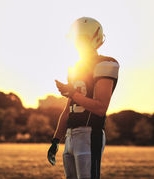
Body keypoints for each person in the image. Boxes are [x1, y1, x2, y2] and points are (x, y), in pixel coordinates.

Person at [47, 17, 119, 179]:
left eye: (82, 39)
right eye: (76, 40)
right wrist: (55, 139)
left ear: (96, 38)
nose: (78, 44)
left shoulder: (106, 64)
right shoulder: (74, 67)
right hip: (70, 137)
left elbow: (100, 108)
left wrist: (72, 93)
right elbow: (67, 110)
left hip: (89, 134)